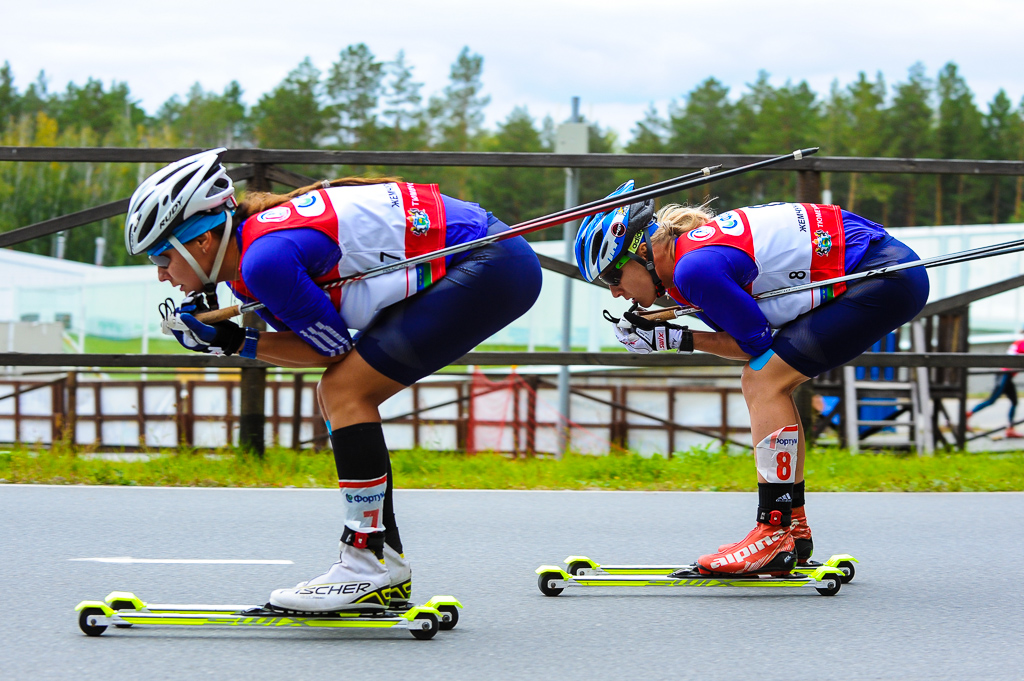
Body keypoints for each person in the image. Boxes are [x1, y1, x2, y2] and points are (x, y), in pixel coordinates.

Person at [125, 149, 542, 611]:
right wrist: (234, 339)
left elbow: (329, 350)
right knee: (340, 390)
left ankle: (365, 563)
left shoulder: (263, 260)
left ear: (201, 242)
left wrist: (235, 342)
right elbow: (319, 343)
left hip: (491, 261)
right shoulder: (254, 258)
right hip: (489, 255)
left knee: (344, 390)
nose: (162, 275)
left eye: (162, 257)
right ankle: (381, 562)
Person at [575, 185, 930, 576]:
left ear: (642, 252)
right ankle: (792, 528)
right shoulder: (689, 261)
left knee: (763, 380)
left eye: (613, 275)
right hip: (882, 268)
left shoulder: (694, 268)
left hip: (882, 276)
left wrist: (674, 339)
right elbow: (751, 336)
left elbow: (754, 348)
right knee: (767, 377)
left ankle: (772, 532)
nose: (613, 291)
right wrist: (672, 330)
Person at [966, 332, 1024, 438]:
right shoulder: (1021, 342)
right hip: (1005, 374)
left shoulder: (1018, 342)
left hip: (1008, 375)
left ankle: (1010, 429)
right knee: (991, 400)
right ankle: (967, 415)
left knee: (1014, 401)